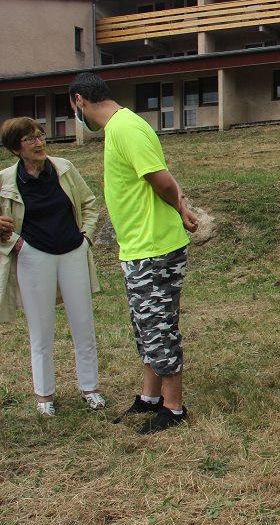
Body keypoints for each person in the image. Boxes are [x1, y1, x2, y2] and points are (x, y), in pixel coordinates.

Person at [68, 72, 199, 434]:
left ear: (79, 100)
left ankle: (174, 408)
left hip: (154, 247)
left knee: (158, 327)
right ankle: (150, 397)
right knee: (145, 327)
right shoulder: (119, 128)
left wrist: (180, 207)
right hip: (139, 247)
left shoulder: (125, 127)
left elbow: (159, 176)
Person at [0, 117, 103, 416]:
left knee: (83, 324)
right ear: (15, 148)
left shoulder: (64, 168)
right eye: (30, 139)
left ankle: (90, 389)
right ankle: (45, 396)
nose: (39, 142)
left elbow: (89, 204)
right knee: (41, 330)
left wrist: (86, 239)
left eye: (41, 135)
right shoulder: (6, 180)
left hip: (72, 251)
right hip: (33, 256)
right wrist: (16, 243)